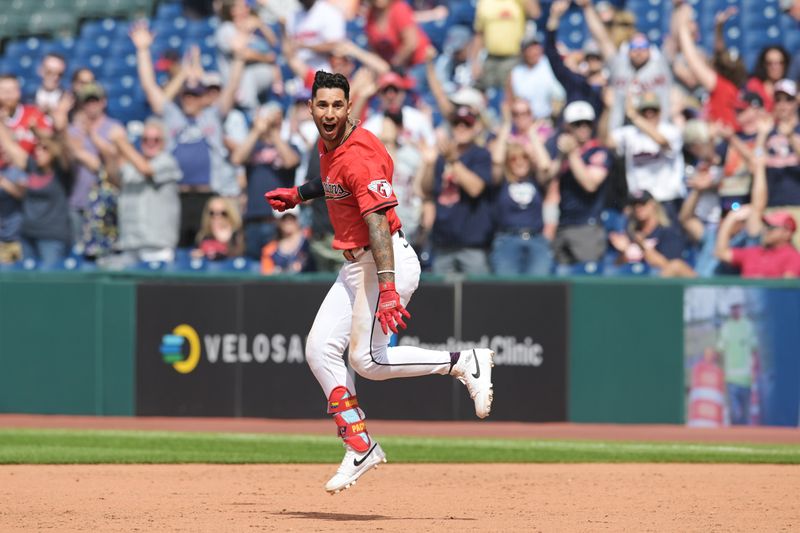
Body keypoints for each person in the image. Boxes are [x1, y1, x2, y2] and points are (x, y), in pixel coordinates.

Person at [264, 71, 494, 494]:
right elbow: (335, 183)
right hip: (356, 265)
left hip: (383, 259)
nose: (329, 113)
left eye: (337, 105)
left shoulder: (359, 154)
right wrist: (299, 194)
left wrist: (388, 287)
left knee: (367, 361)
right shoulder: (331, 143)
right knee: (318, 349)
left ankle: (463, 362)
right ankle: (360, 444)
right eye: (322, 105)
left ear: (350, 107)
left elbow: (377, 223)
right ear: (311, 107)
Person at [100, 117, 183, 268]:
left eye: (155, 139)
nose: (150, 143)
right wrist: (112, 152)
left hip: (157, 247)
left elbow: (146, 170)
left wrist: (122, 142)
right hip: (130, 245)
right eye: (145, 139)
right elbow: (114, 178)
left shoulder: (167, 161)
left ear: (163, 142)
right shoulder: (133, 164)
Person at [422, 105, 494, 274]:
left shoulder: (480, 155)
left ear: (475, 128)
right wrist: (429, 164)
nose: (461, 128)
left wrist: (453, 161)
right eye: (457, 124)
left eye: (466, 124)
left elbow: (475, 188)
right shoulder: (441, 157)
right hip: (443, 242)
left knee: (476, 297)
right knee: (443, 298)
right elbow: (427, 190)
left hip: (472, 244)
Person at [489, 104, 556, 275]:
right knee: (507, 292)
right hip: (507, 240)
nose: (520, 162)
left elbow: (545, 165)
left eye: (524, 158)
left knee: (538, 291)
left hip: (536, 240)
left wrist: (531, 132)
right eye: (513, 158)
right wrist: (506, 125)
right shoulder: (501, 182)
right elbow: (496, 161)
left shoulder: (536, 181)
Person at [230, 103, 301, 259]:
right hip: (253, 219)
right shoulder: (253, 147)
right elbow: (236, 158)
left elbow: (291, 161)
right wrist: (256, 130)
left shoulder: (290, 146)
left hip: (278, 221)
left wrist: (274, 132)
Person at [545, 100, 611, 267]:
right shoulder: (559, 148)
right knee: (562, 284)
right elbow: (547, 178)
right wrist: (561, 155)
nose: (583, 128)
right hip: (563, 223)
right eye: (577, 124)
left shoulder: (598, 151)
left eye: (587, 123)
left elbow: (590, 184)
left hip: (587, 226)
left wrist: (572, 153)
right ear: (568, 126)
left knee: (589, 281)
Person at [604, 92, 685, 220]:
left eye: (653, 110)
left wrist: (635, 117)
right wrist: (607, 110)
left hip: (666, 200)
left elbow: (662, 142)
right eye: (645, 110)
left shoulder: (670, 130)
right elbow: (606, 141)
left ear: (660, 111)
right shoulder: (630, 133)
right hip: (639, 202)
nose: (649, 114)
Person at [608, 190, 695, 277]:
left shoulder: (667, 232)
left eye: (642, 204)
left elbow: (670, 267)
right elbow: (615, 267)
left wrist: (642, 246)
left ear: (652, 205)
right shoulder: (629, 232)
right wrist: (624, 252)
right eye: (634, 205)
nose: (638, 208)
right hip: (632, 281)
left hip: (657, 283)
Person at [545, 0, 606, 119]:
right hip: (572, 131)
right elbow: (551, 53)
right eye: (590, 58)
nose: (594, 62)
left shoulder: (610, 83)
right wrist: (554, 17)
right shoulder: (575, 82)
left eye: (597, 58)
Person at [470, 0, 541, 91]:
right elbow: (479, 34)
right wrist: (475, 62)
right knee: (488, 93)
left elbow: (535, 13)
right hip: (490, 58)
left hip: (513, 58)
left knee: (510, 95)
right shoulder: (484, 2)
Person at [716, 302, 759, 425]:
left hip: (746, 379)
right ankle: (734, 437)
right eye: (732, 308)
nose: (735, 310)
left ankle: (744, 439)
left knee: (745, 415)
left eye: (737, 307)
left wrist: (755, 369)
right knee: (734, 413)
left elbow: (754, 349)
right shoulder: (726, 328)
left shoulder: (748, 326)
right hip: (731, 378)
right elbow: (720, 349)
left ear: (741, 309)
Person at [507, 35, 565, 121]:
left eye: (536, 47)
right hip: (525, 121)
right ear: (523, 52)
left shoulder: (550, 64)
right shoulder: (516, 73)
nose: (534, 51)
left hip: (548, 119)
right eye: (530, 48)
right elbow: (508, 101)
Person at [260, 206, 315, 274]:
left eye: (292, 217)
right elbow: (267, 275)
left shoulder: (310, 238)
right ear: (277, 221)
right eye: (284, 218)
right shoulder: (269, 250)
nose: (288, 221)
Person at [192, 195, 245, 260]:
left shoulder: (238, 235)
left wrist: (227, 241)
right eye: (212, 213)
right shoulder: (203, 237)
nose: (217, 217)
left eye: (223, 213)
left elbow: (241, 255)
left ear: (230, 214)